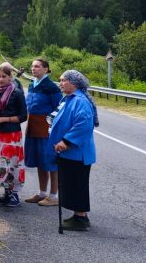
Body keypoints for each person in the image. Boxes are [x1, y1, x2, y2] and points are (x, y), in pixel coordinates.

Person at [50, 70, 97, 231]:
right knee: (71, 184)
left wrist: (66, 141)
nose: (61, 83)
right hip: (70, 153)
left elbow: (83, 125)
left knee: (77, 185)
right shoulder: (70, 98)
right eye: (60, 80)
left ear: (74, 83)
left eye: (64, 80)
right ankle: (79, 215)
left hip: (77, 153)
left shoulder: (80, 101)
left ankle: (80, 218)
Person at [23, 58, 63, 206]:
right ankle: (42, 193)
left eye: (37, 67)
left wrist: (53, 128)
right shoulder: (32, 84)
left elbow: (58, 109)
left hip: (46, 128)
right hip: (32, 126)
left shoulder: (51, 87)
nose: (34, 69)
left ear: (46, 69)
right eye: (32, 66)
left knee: (50, 161)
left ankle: (54, 196)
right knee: (39, 161)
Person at [0, 64, 27, 207]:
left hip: (11, 134)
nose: (1, 79)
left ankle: (13, 195)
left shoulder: (17, 93)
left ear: (10, 77)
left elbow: (23, 116)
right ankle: (3, 193)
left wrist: (3, 119)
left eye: (4, 76)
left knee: (11, 165)